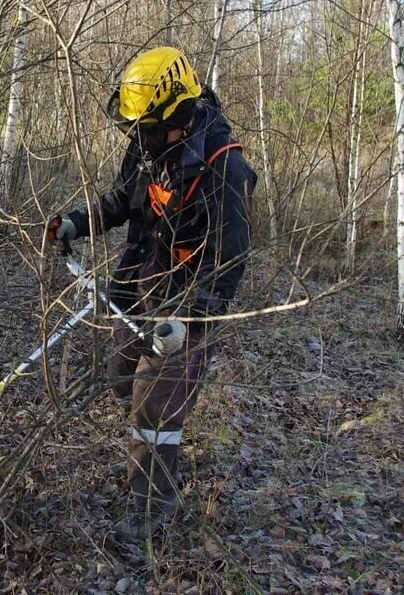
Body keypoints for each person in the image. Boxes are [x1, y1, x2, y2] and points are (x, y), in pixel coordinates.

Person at [46, 47, 256, 542]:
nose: (139, 136)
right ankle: (150, 444)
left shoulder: (226, 170)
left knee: (153, 403)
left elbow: (228, 264)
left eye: (149, 127)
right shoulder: (147, 144)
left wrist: (190, 321)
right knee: (121, 375)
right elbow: (121, 201)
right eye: (136, 128)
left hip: (186, 308)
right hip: (141, 286)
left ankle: (152, 506)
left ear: (179, 115)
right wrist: (76, 222)